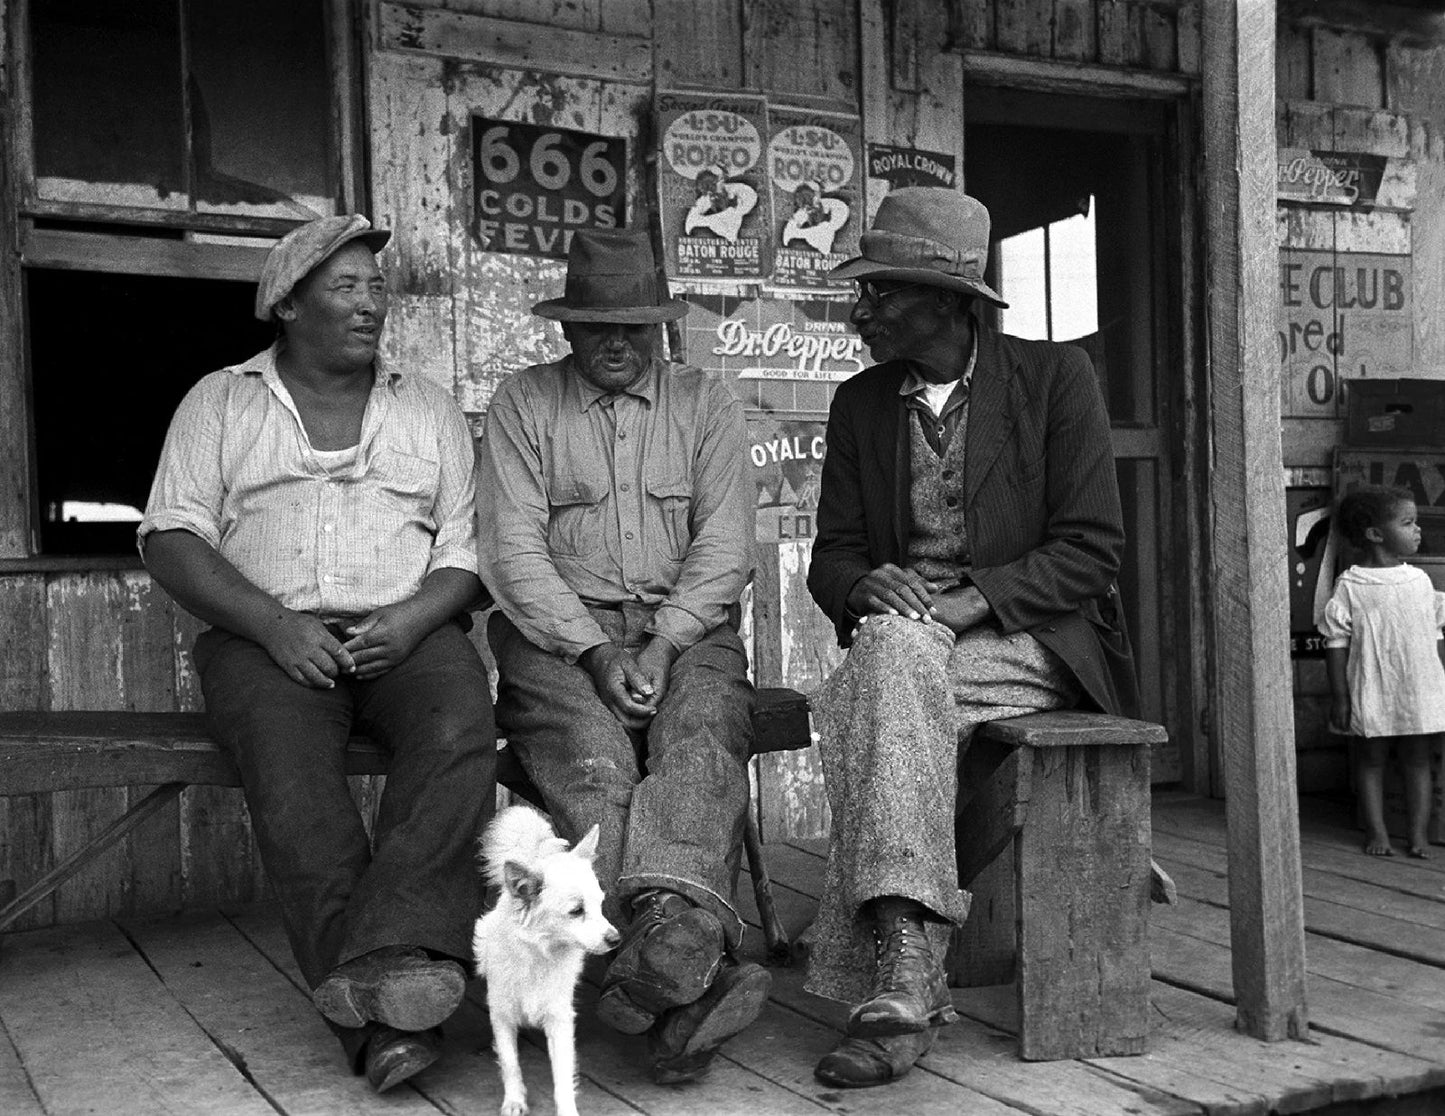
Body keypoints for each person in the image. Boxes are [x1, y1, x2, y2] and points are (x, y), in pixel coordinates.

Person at [139, 214, 495, 1092]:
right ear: (287, 305)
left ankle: (377, 969)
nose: (371, 303)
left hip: (405, 632)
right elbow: (170, 536)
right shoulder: (220, 401)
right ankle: (381, 1023)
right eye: (346, 287)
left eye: (377, 286)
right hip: (266, 641)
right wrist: (273, 624)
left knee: (460, 729)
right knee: (294, 778)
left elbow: (465, 550)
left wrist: (414, 620)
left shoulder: (429, 406)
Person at [804, 187, 1138, 1087]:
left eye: (882, 293)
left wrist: (971, 601)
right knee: (883, 663)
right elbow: (829, 557)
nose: (860, 309)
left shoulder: (1052, 380)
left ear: (949, 302)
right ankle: (905, 972)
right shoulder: (861, 404)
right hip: (907, 651)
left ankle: (890, 957)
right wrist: (861, 581)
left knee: (855, 696)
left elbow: (1090, 553)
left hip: (1030, 640)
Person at [477, 227, 770, 1084]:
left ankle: (661, 961)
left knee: (699, 737)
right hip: (556, 638)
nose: (615, 341)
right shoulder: (524, 404)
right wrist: (597, 649)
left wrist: (671, 638)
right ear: (566, 328)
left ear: (662, 328)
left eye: (634, 327)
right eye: (597, 325)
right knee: (596, 764)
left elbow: (724, 547)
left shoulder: (705, 402)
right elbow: (511, 554)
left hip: (690, 632)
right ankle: (681, 971)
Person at [1320, 484, 1445, 859]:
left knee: (1418, 760)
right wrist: (1341, 697)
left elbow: (1435, 635)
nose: (1417, 531)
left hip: (1417, 689)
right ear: (1375, 534)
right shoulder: (1352, 585)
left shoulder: (1420, 581)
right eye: (1407, 523)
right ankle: (1377, 832)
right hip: (1372, 688)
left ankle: (1418, 835)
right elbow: (1335, 644)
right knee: (1371, 760)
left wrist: (1440, 682)